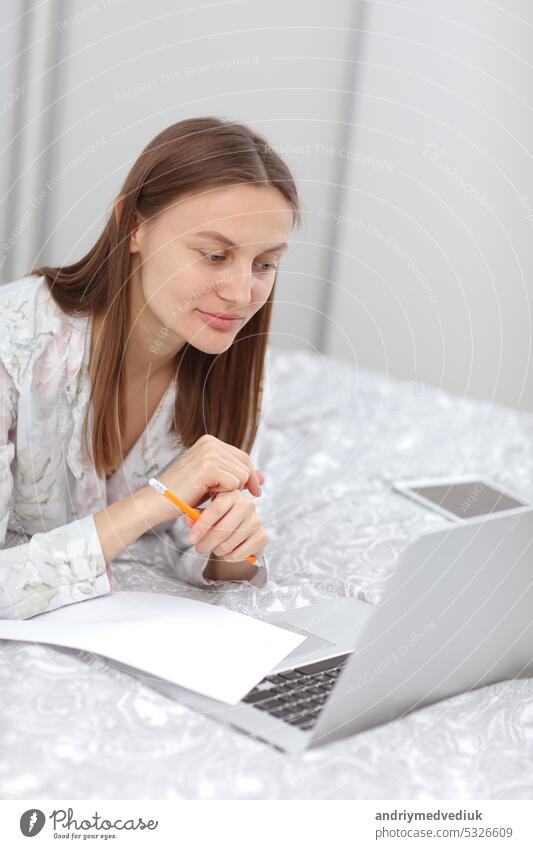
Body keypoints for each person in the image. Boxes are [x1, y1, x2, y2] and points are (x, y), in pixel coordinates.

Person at [0, 116, 301, 619]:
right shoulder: (13, 351)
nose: (242, 292)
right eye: (213, 255)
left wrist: (229, 551)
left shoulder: (229, 374)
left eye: (265, 263)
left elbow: (178, 542)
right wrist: (155, 500)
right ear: (133, 226)